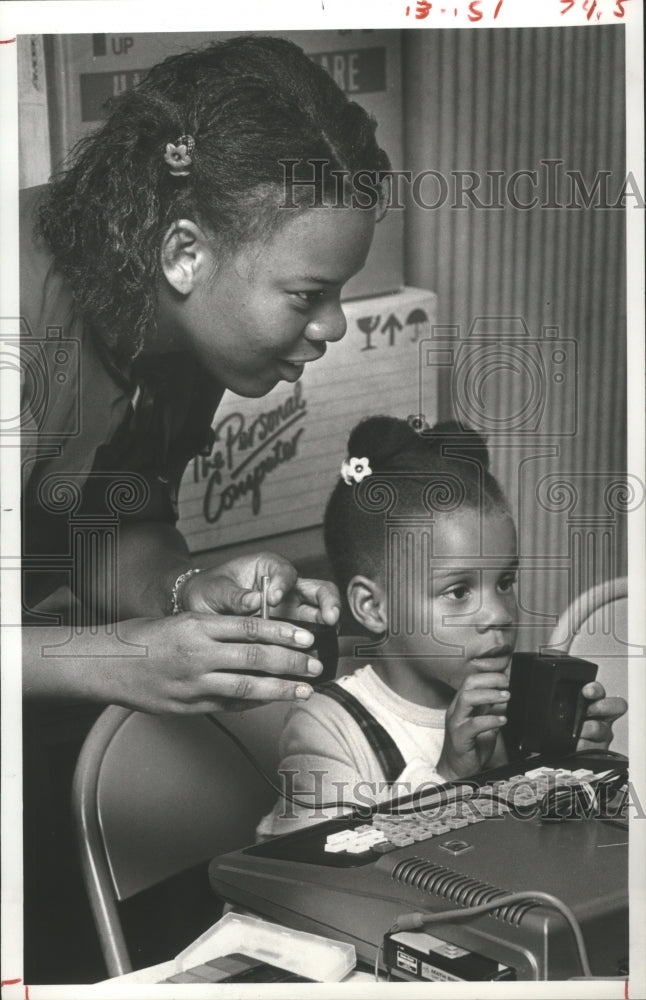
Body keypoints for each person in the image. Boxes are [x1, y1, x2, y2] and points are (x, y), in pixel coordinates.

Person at [17, 35, 389, 981]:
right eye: (308, 294)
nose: (335, 325)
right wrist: (125, 658)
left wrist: (186, 588)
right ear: (185, 251)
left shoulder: (181, 338)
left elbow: (104, 522)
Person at [258, 417, 628, 838]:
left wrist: (577, 772)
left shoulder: (518, 705)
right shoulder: (326, 727)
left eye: (505, 582)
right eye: (458, 591)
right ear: (373, 607)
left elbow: (540, 857)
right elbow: (319, 881)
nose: (500, 614)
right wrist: (449, 776)